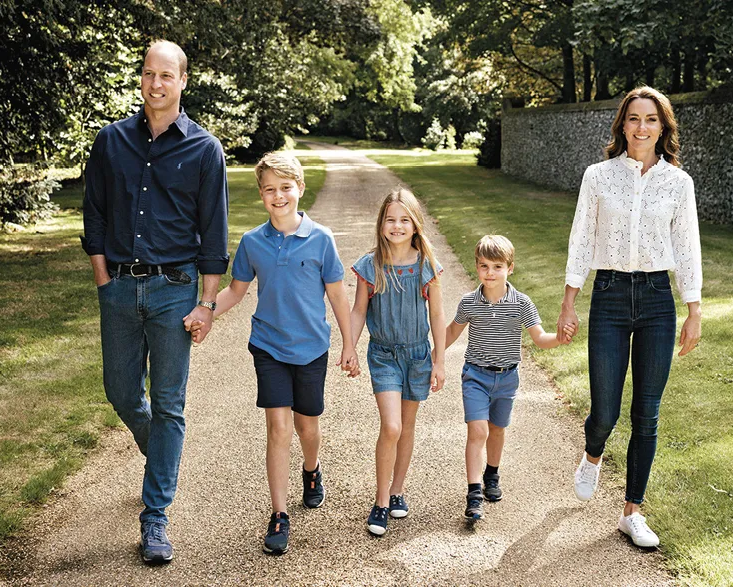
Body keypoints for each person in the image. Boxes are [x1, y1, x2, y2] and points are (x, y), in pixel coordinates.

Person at [81, 40, 229, 563]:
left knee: (169, 405)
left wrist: (207, 303)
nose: (156, 84)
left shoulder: (205, 150)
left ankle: (155, 518)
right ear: (141, 79)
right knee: (121, 391)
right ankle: (159, 457)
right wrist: (103, 280)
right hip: (119, 287)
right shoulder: (111, 141)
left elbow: (214, 235)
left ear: (183, 81)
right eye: (148, 74)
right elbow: (93, 216)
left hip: (174, 291)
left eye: (166, 75)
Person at [186, 151, 358, 555]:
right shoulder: (252, 242)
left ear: (300, 188)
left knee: (307, 427)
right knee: (278, 428)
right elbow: (236, 291)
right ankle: (279, 514)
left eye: (285, 188)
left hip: (312, 347)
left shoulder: (321, 238)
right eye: (269, 190)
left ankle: (311, 470)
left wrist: (349, 343)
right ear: (261, 195)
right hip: (269, 346)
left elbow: (337, 294)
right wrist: (205, 311)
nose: (278, 196)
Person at [557, 86, 702, 548]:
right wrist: (568, 301)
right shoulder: (598, 176)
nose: (642, 127)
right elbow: (582, 238)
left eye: (652, 119)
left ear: (664, 127)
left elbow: (687, 247)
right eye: (634, 118)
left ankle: (632, 512)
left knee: (647, 413)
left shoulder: (678, 183)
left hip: (659, 298)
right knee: (605, 410)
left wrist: (693, 309)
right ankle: (593, 454)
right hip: (610, 295)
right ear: (622, 124)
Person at [445, 235, 574, 520]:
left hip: (507, 379)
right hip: (475, 376)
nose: (490, 273)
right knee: (478, 431)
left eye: (497, 266)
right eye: (483, 266)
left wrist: (559, 340)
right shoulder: (469, 302)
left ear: (510, 268)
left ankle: (492, 474)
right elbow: (451, 332)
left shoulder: (522, 303)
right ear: (477, 267)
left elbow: (539, 338)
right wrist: (432, 356)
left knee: (498, 430)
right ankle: (474, 492)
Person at [349, 187, 446, 537]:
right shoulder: (370, 265)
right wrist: (350, 345)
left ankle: (397, 489)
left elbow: (437, 314)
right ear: (381, 224)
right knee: (391, 427)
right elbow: (359, 310)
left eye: (405, 219)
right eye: (390, 219)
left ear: (416, 225)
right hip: (384, 355)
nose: (397, 225)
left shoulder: (426, 266)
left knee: (406, 426)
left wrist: (439, 360)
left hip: (418, 355)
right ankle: (380, 501)